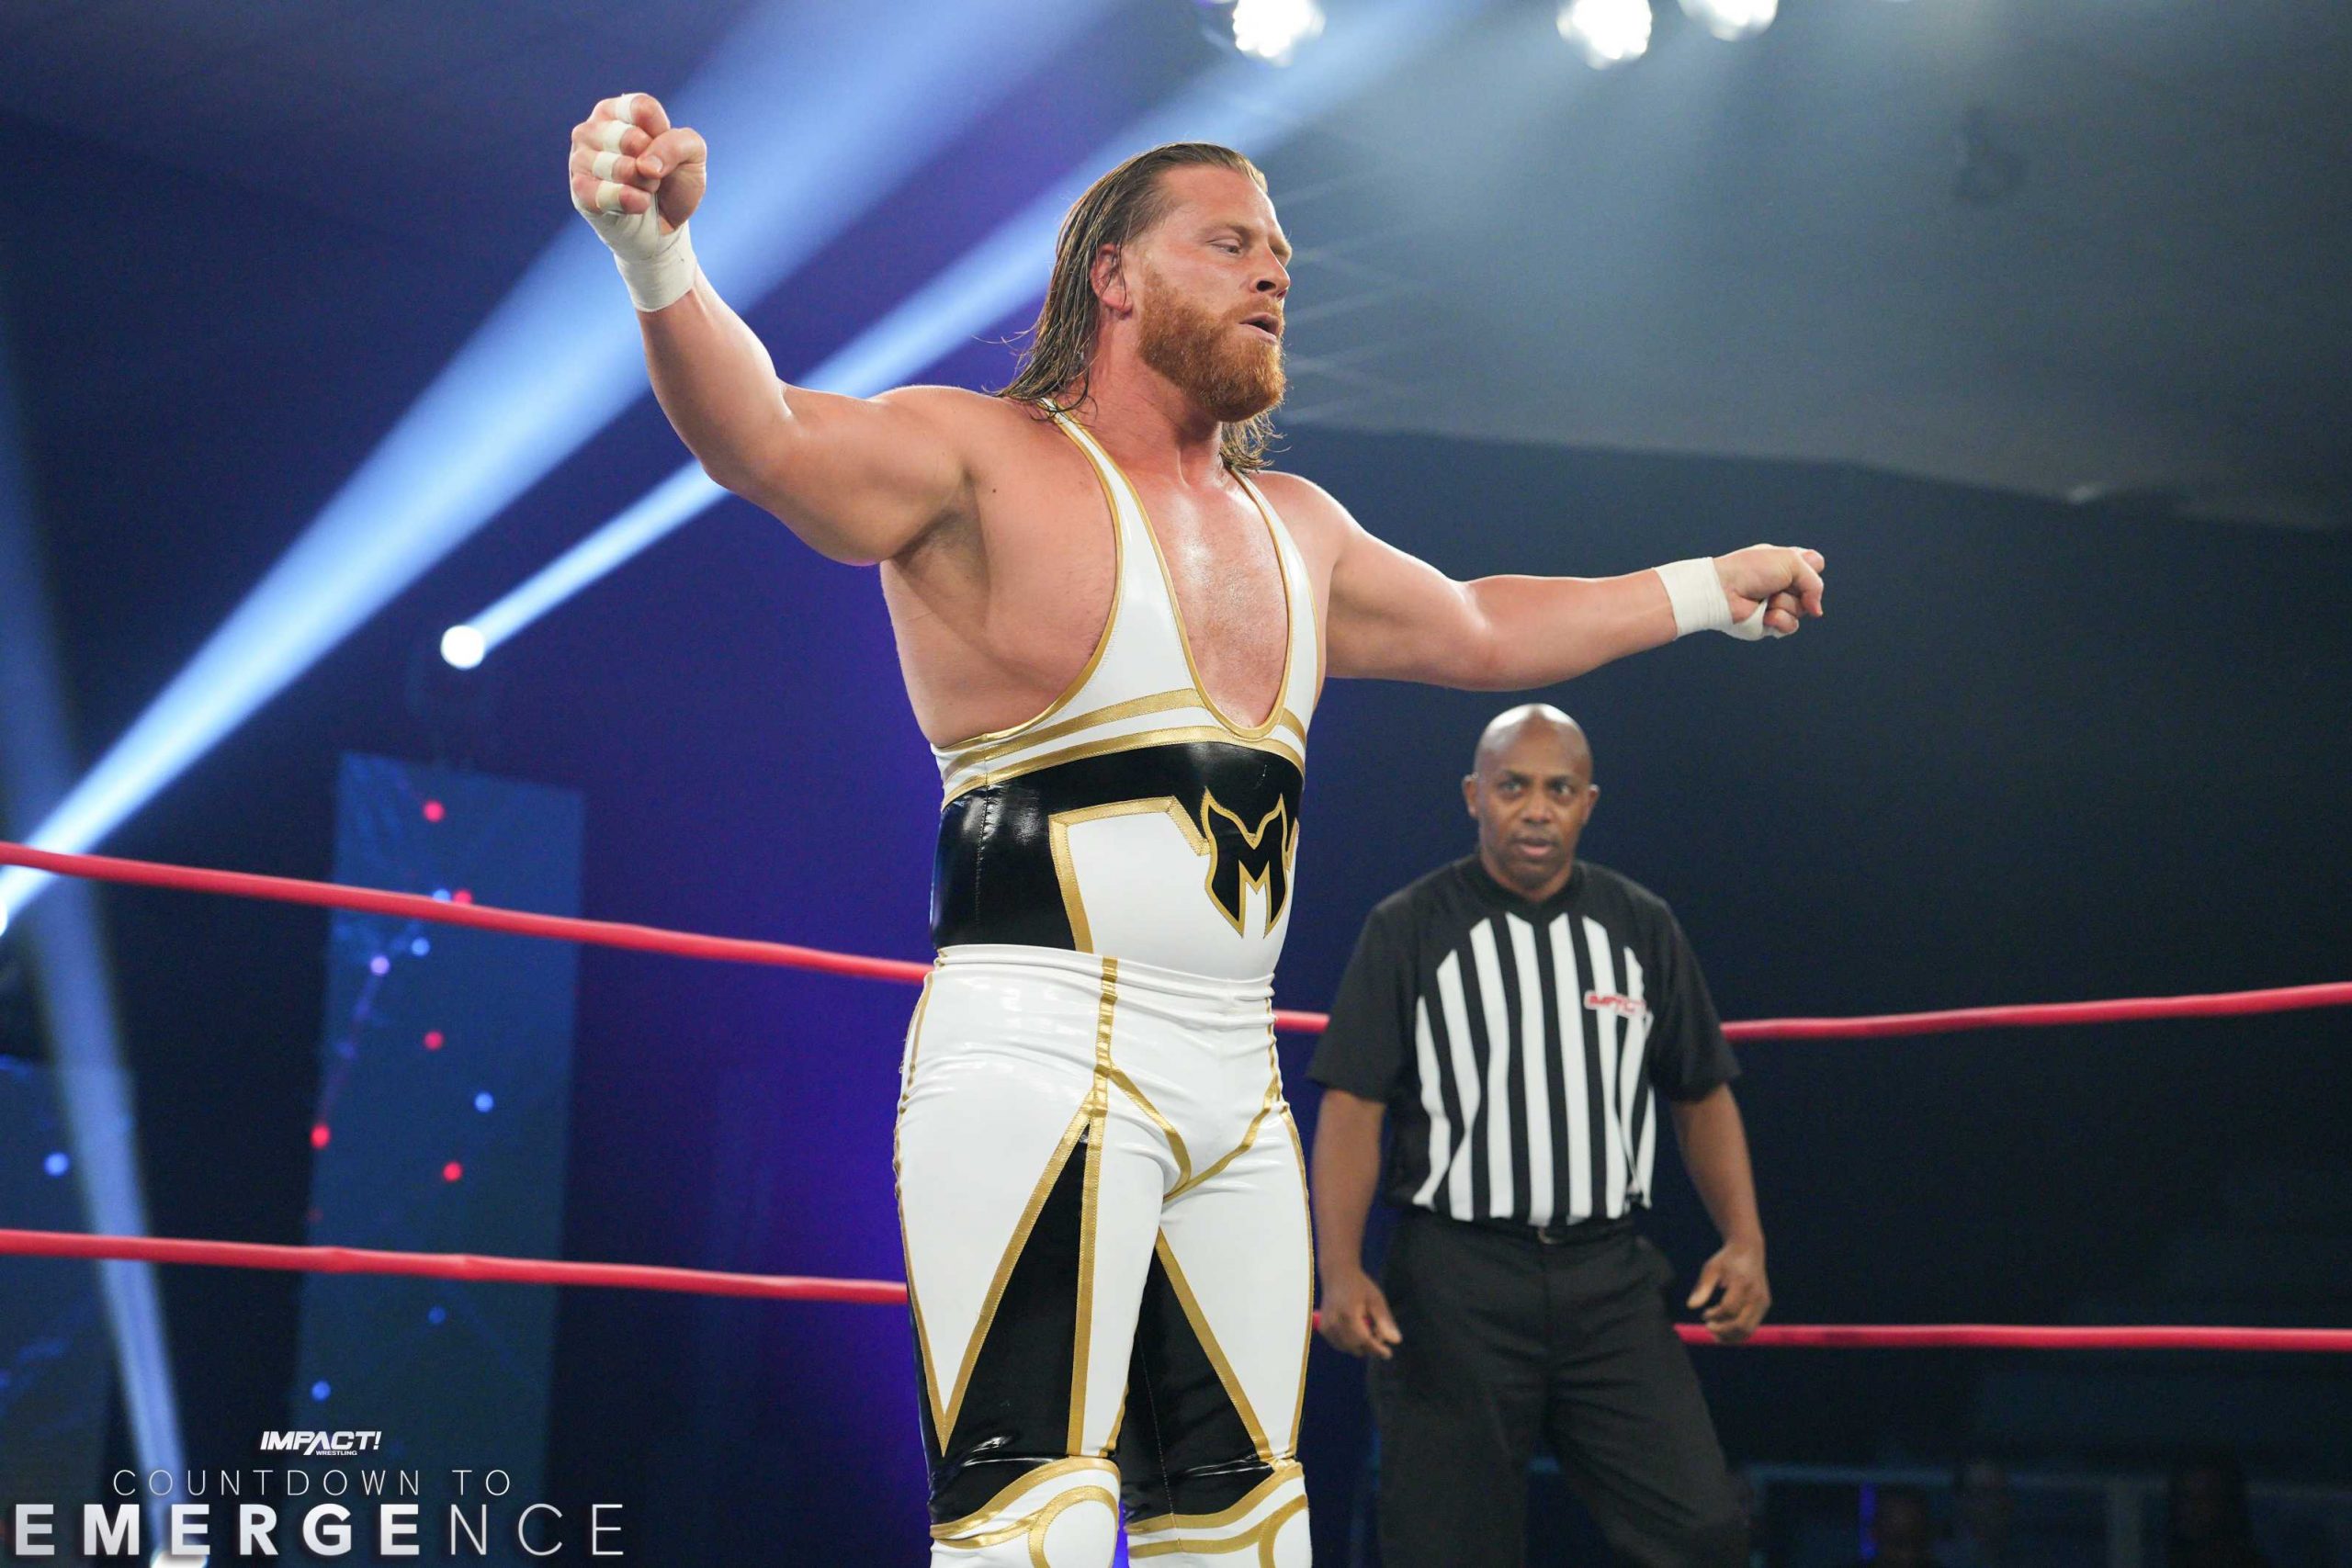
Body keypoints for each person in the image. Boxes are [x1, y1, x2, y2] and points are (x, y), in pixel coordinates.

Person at [569, 93, 1826, 1567]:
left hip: (1237, 1076)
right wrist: (656, 256)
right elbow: (765, 436)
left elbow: (1484, 625)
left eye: (1281, 253)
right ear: (1115, 275)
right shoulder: (980, 458)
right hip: (1040, 1045)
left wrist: (1704, 587)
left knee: (1245, 1529)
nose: (1274, 271)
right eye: (1230, 243)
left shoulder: (1298, 524)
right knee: (1029, 1522)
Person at [1309, 705, 1769, 1568]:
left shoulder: (1639, 924)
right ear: (1473, 794)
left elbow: (1701, 1090)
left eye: (1559, 790)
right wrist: (1338, 1268)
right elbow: (1352, 1104)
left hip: (1609, 1279)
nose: (1536, 809)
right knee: (1447, 1551)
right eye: (1514, 786)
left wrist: (1744, 1240)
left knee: (1702, 1528)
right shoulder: (1410, 926)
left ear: (1587, 803)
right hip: (1455, 1284)